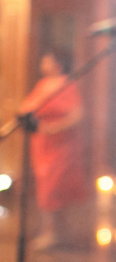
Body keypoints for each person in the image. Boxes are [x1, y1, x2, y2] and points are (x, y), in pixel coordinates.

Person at [18, 49, 88, 249]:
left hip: (61, 144)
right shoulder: (42, 84)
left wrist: (54, 127)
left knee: (53, 187)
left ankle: (53, 233)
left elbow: (77, 114)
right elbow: (29, 108)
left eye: (47, 61)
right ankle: (54, 231)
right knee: (44, 186)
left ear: (59, 64)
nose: (43, 64)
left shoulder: (66, 85)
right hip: (42, 143)